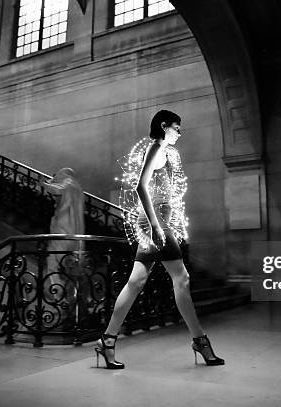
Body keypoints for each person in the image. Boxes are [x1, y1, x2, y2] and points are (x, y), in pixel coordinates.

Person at [95, 109, 224, 369]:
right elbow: (141, 185)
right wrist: (156, 226)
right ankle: (200, 341)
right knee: (182, 278)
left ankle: (106, 341)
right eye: (177, 127)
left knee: (137, 281)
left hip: (154, 222)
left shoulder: (163, 151)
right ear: (164, 126)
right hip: (156, 224)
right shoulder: (155, 148)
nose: (180, 132)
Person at [40, 168, 85, 300]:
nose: (55, 200)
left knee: (53, 260)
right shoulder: (77, 188)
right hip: (74, 233)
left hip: (63, 230)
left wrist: (44, 184)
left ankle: (60, 295)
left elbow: (58, 189)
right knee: (70, 264)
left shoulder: (68, 182)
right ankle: (72, 297)